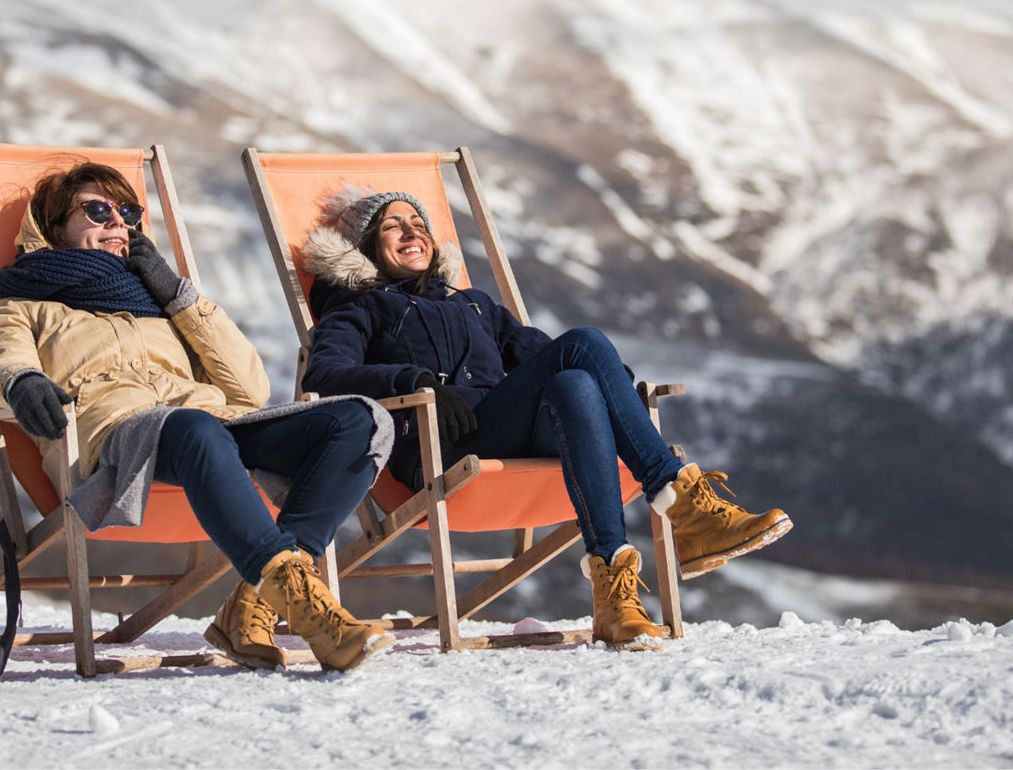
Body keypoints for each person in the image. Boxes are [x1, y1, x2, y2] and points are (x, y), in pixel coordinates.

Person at [300, 187, 793, 649]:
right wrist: (413, 380)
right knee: (584, 343)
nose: (412, 233)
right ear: (365, 247)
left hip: (505, 429)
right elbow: (325, 373)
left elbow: (543, 354)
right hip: (443, 444)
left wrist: (611, 384)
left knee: (576, 381)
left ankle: (614, 597)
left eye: (417, 222)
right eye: (392, 226)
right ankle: (684, 507)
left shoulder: (474, 304)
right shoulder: (361, 308)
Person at [0, 162, 394, 671]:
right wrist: (23, 383)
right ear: (53, 226)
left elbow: (249, 389)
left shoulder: (160, 301)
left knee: (360, 420)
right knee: (193, 427)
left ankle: (256, 604)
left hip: (205, 429)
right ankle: (310, 614)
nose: (118, 223)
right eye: (98, 211)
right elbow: (2, 361)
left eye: (128, 212)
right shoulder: (23, 304)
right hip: (116, 440)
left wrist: (177, 294)